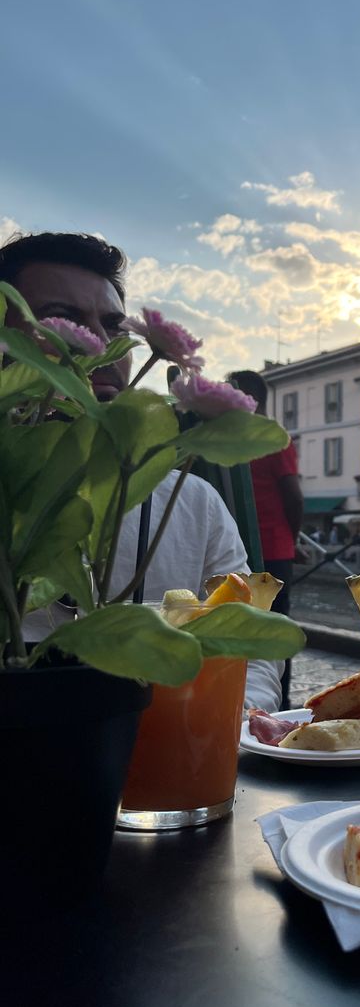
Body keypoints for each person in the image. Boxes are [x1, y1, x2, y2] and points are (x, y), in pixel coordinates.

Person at [1, 231, 283, 710]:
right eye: (61, 319)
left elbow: (251, 656)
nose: (98, 345)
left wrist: (225, 729)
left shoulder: (194, 504)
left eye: (113, 326)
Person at [228, 370, 304, 710]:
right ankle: (280, 705)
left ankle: (237, 701)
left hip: (231, 548)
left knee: (236, 625)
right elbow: (293, 495)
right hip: (273, 548)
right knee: (274, 630)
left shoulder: (221, 439)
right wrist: (295, 537)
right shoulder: (274, 439)